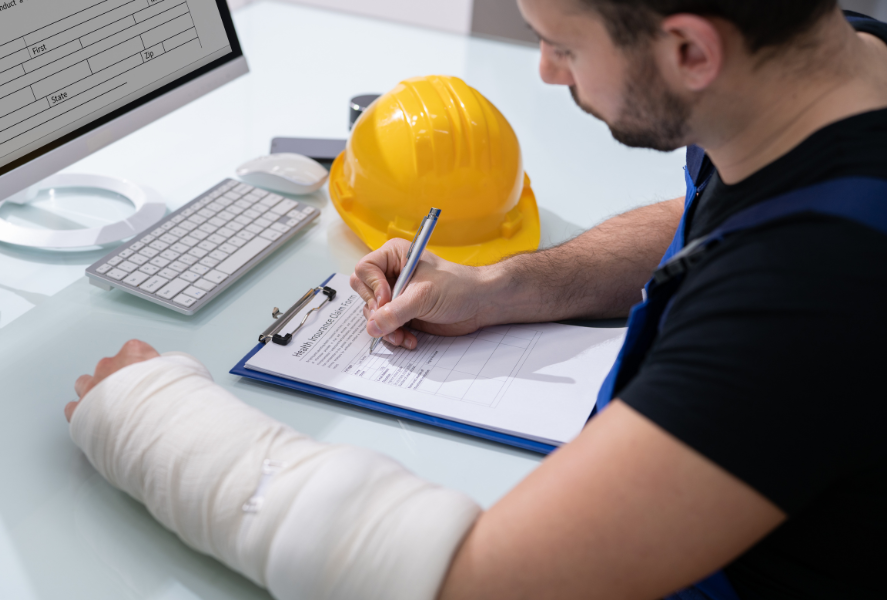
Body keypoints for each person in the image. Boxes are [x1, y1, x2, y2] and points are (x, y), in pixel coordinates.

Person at [65, 1, 887, 598]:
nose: (544, 70)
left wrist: (148, 415)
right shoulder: (836, 68)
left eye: (562, 45)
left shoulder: (815, 291)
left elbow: (470, 582)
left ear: (691, 51)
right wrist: (510, 285)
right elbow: (715, 216)